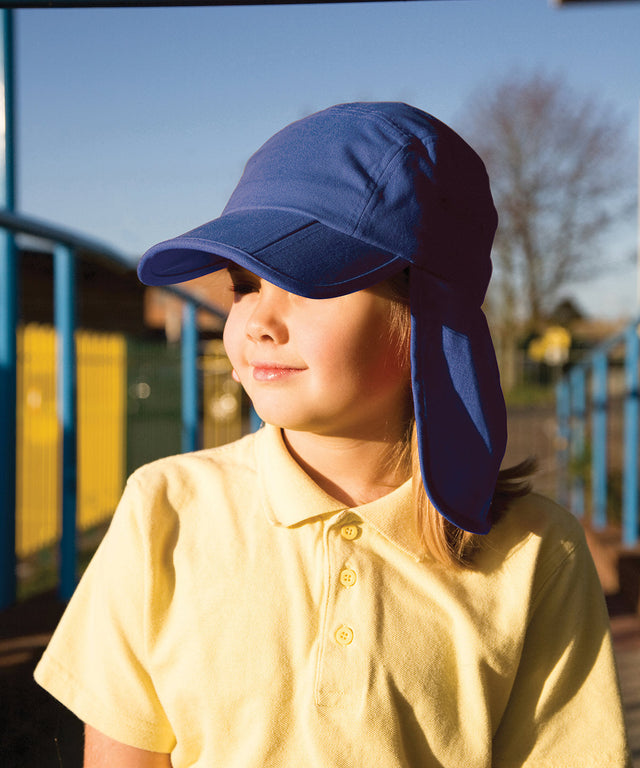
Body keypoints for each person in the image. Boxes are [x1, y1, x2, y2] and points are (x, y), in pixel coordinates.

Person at [35, 102, 630, 767]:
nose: (259, 322)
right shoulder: (165, 508)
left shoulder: (539, 551)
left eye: (307, 282)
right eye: (243, 286)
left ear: (426, 312)